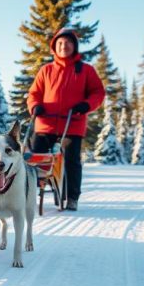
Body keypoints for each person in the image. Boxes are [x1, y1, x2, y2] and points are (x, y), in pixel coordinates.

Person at [26, 27, 105, 211]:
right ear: (55, 47)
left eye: (68, 42)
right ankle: (30, 191)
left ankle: (72, 197)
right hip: (45, 123)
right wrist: (35, 106)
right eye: (60, 43)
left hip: (72, 122)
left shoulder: (85, 70)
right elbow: (34, 93)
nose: (64, 46)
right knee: (36, 158)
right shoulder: (46, 70)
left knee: (71, 160)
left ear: (74, 46)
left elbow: (98, 92)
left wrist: (86, 105)